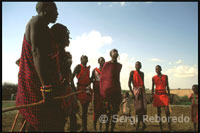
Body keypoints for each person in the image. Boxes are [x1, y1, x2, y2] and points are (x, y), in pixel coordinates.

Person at [15, 2, 67, 132]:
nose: (57, 13)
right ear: (45, 8)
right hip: (34, 82)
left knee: (48, 119)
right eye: (55, 9)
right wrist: (46, 87)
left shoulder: (44, 28)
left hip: (39, 80)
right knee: (43, 120)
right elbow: (37, 53)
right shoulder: (37, 21)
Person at [50, 23, 80, 132]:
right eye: (66, 35)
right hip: (55, 94)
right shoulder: (53, 53)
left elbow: (67, 75)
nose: (68, 38)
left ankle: (73, 124)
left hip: (63, 91)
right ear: (59, 36)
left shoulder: (64, 54)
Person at [100, 49, 122, 131]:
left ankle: (112, 129)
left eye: (116, 51)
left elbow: (117, 79)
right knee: (108, 112)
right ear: (110, 54)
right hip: (108, 92)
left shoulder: (119, 65)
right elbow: (103, 78)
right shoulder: (106, 64)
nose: (115, 52)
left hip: (116, 91)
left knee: (115, 112)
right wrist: (103, 91)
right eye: (113, 51)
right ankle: (106, 129)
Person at [71, 55, 92, 132]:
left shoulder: (88, 68)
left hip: (87, 90)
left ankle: (85, 129)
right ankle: (81, 128)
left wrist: (91, 79)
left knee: (85, 111)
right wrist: (74, 89)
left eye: (86, 58)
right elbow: (71, 78)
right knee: (81, 110)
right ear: (81, 60)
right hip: (80, 90)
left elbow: (88, 79)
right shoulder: (78, 67)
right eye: (84, 58)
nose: (85, 60)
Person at [151, 65, 171, 131]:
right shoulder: (153, 77)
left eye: (158, 69)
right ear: (155, 70)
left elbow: (167, 86)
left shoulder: (165, 76)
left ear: (161, 69)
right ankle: (161, 128)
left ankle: (169, 127)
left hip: (164, 94)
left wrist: (169, 95)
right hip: (157, 95)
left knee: (167, 111)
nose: (157, 70)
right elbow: (152, 88)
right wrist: (152, 95)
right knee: (159, 112)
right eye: (156, 69)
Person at [128, 61, 147, 131]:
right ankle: (143, 124)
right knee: (137, 109)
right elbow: (129, 83)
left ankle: (139, 125)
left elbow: (143, 84)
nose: (137, 66)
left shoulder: (142, 73)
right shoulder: (132, 72)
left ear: (141, 66)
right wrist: (132, 93)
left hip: (141, 92)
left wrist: (145, 95)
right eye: (136, 65)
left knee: (141, 110)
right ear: (135, 66)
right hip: (135, 92)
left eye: (139, 65)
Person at [90, 57, 105, 131]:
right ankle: (94, 127)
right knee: (96, 111)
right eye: (101, 60)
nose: (103, 61)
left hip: (103, 94)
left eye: (104, 60)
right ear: (98, 62)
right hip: (96, 94)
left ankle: (100, 127)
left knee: (102, 111)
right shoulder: (94, 70)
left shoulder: (106, 71)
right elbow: (91, 79)